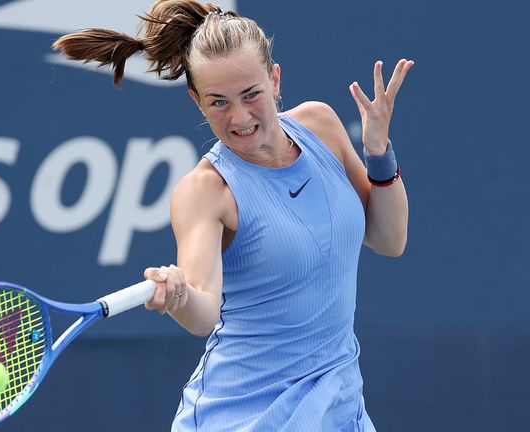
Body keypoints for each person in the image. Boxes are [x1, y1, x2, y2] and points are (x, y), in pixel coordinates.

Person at [54, 1, 412, 430]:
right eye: (218, 102)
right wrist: (179, 294)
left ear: (275, 80)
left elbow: (389, 240)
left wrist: (378, 154)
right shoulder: (205, 191)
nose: (239, 118)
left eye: (251, 94)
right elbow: (204, 314)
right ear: (197, 101)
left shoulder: (321, 125)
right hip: (243, 417)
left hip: (339, 407)